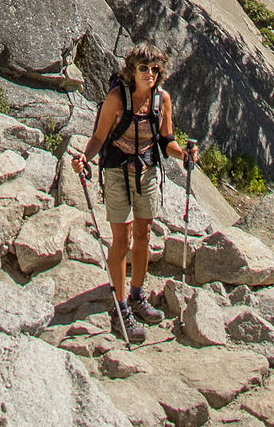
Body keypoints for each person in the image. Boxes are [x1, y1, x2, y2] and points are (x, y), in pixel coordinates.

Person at [71, 41, 199, 342]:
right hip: (117, 171)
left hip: (147, 170)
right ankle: (121, 309)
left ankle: (137, 295)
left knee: (143, 234)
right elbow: (99, 136)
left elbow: (166, 140)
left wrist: (184, 155)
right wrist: (84, 158)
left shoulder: (162, 99)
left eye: (155, 69)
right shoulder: (117, 97)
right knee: (122, 239)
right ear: (132, 69)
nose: (150, 74)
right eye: (144, 68)